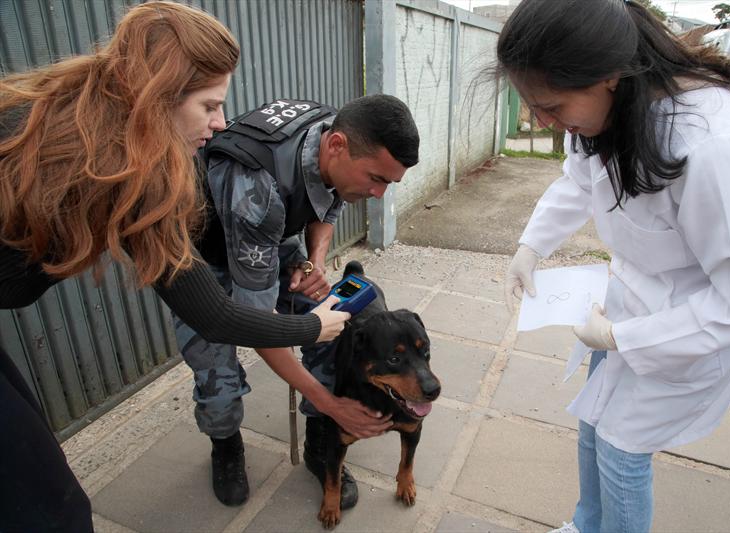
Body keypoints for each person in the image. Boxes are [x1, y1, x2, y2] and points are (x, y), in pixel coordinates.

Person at [0, 3, 351, 531]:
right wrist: (312, 326)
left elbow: (208, 309)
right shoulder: (23, 137)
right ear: (154, 97)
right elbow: (218, 316)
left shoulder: (140, 174)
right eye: (210, 105)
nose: (220, 123)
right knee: (50, 512)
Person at [498, 1, 730, 532]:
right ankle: (586, 525)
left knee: (621, 449)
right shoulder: (613, 108)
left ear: (609, 75)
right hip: (626, 301)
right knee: (593, 423)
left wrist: (624, 338)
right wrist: (530, 246)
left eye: (553, 107)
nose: (544, 121)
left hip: (688, 326)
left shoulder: (715, 145)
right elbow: (579, 181)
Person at [180, 93, 420, 507]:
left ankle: (319, 443)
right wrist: (336, 404)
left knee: (338, 325)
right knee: (216, 377)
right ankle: (226, 444)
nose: (379, 194)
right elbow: (258, 328)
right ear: (336, 146)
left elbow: (326, 205)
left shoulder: (338, 132)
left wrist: (313, 264)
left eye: (389, 183)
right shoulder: (256, 191)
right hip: (201, 263)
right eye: (376, 179)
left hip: (266, 242)